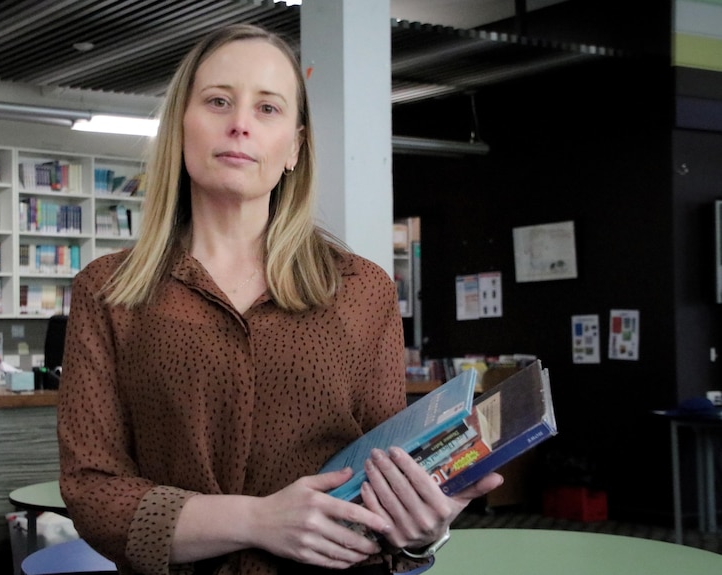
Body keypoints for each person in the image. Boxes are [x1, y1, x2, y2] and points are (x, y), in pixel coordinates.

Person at [57, 23, 502, 575]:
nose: (240, 124)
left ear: (294, 146)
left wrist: (419, 533)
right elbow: (93, 492)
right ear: (181, 127)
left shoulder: (363, 290)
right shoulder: (108, 290)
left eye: (267, 109)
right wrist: (257, 520)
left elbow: (386, 473)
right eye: (218, 101)